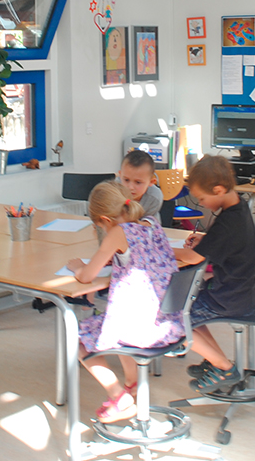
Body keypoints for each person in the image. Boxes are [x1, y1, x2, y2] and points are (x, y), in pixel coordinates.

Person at [66, 181, 184, 423]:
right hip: (169, 321)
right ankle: (131, 384)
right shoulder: (152, 223)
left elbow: (87, 276)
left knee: (79, 339)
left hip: (140, 328)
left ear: (104, 220)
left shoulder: (118, 233)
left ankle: (119, 396)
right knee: (115, 324)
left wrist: (77, 266)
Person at [174, 155, 255, 393]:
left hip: (229, 299)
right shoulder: (238, 208)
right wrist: (206, 239)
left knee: (176, 320)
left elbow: (192, 258)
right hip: (240, 292)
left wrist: (158, 249)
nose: (201, 204)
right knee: (186, 307)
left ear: (219, 190)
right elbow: (227, 241)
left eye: (202, 198)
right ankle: (214, 359)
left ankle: (223, 367)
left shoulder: (227, 223)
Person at [119, 149, 162, 226]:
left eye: (138, 182)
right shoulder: (113, 190)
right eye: (126, 180)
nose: (130, 187)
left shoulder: (154, 197)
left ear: (151, 182)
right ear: (120, 175)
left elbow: (150, 224)